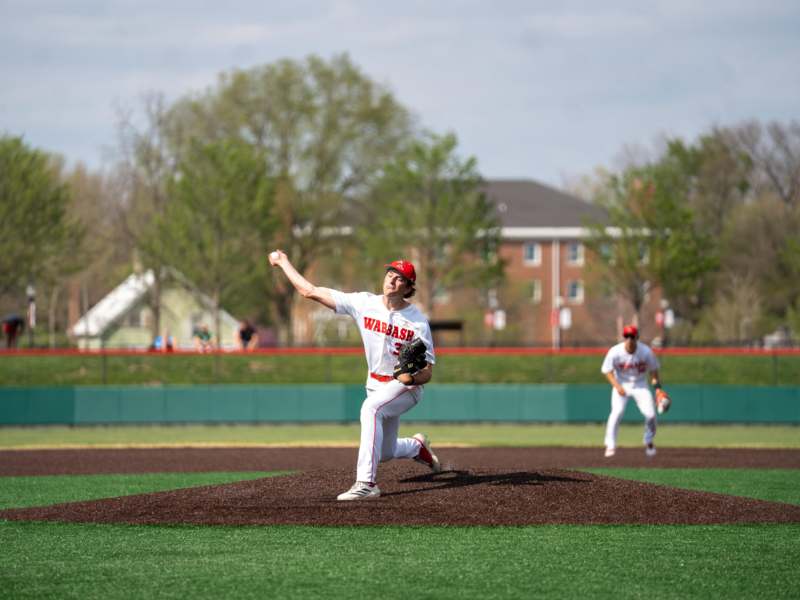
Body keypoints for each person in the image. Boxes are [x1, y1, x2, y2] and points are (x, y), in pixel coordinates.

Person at [268, 250, 441, 501]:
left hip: (406, 388)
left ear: (408, 287)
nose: (392, 280)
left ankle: (366, 483)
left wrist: (411, 379)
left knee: (370, 409)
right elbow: (310, 291)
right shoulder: (364, 303)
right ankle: (417, 447)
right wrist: (284, 263)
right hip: (375, 383)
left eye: (400, 278)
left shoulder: (417, 322)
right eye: (390, 274)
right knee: (384, 451)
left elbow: (427, 371)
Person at [601, 324, 663, 458]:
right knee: (616, 413)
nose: (629, 339)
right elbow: (607, 371)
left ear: (637, 338)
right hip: (621, 384)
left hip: (640, 385)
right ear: (624, 337)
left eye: (632, 336)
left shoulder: (646, 352)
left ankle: (648, 440)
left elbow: (654, 372)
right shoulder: (615, 351)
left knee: (651, 415)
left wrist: (657, 389)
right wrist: (617, 386)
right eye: (626, 336)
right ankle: (610, 445)